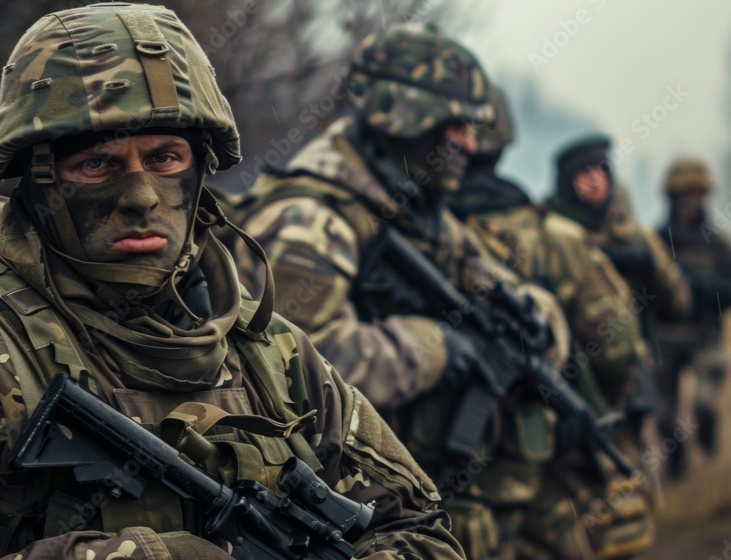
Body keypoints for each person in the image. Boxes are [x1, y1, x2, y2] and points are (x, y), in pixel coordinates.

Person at [0, 5, 466, 559]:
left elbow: (421, 530)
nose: (142, 197)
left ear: (201, 168)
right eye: (97, 164)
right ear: (42, 181)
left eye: (165, 158)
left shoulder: (272, 355)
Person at [233, 24, 585, 560]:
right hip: (350, 517)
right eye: (458, 126)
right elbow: (293, 372)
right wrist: (434, 348)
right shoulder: (311, 220)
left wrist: (539, 319)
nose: (470, 144)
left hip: (423, 496)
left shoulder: (416, 209)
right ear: (407, 118)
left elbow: (496, 285)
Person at [448, 87, 655, 559]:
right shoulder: (555, 237)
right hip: (537, 462)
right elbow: (618, 346)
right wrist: (589, 410)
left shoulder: (422, 231)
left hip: (430, 474)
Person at [544, 135, 691, 478]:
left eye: (601, 171)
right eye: (584, 173)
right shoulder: (549, 237)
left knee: (632, 477)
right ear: (567, 183)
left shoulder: (635, 237)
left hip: (629, 380)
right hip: (571, 383)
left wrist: (651, 273)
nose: (595, 181)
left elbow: (680, 301)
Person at [655, 157, 731, 476]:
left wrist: (711, 291)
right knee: (663, 415)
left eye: (699, 194)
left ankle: (708, 444)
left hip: (705, 336)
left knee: (705, 405)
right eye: (687, 194)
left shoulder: (717, 241)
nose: (693, 201)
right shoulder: (656, 241)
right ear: (673, 197)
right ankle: (676, 462)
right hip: (665, 339)